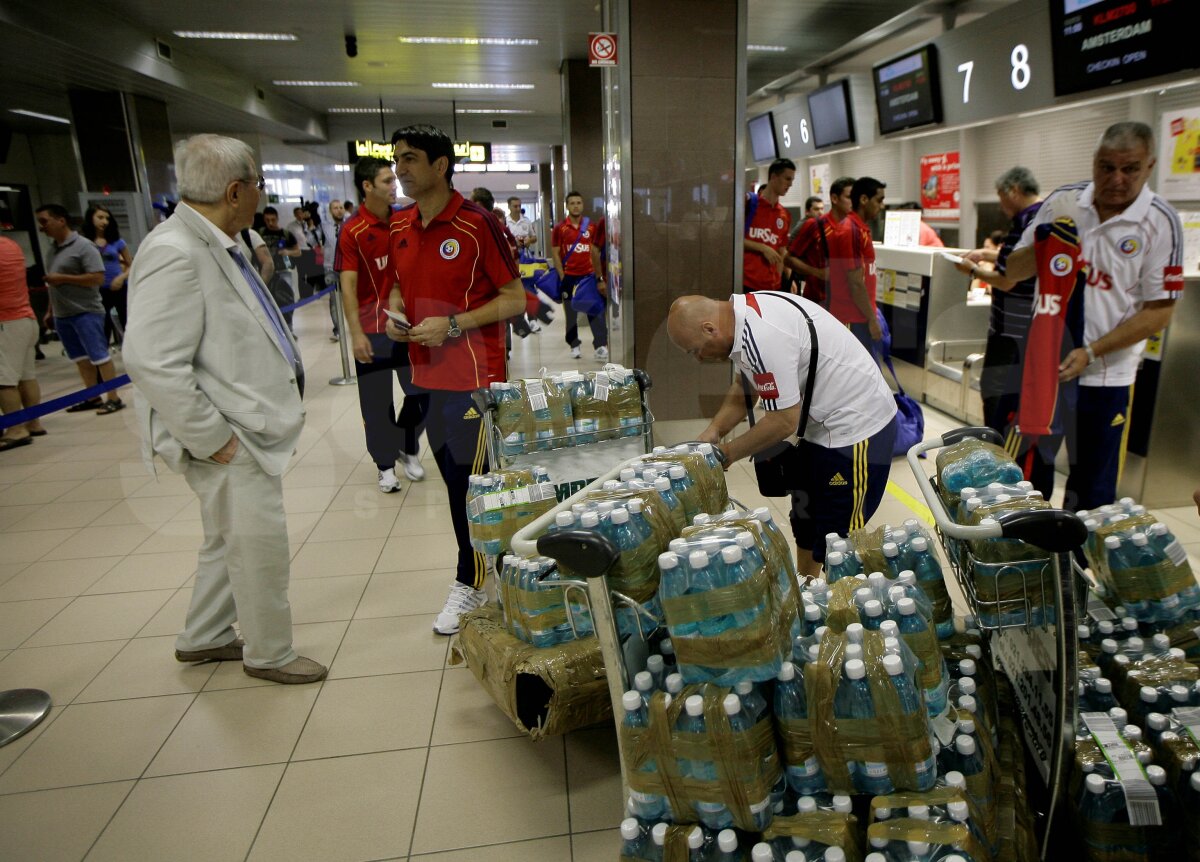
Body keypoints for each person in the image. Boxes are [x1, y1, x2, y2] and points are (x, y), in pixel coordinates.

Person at [123, 133, 325, 685]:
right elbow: (150, 361)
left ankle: (204, 635)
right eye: (258, 185)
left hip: (238, 420)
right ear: (236, 190)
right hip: (224, 430)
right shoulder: (176, 251)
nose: (262, 195)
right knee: (259, 542)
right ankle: (270, 652)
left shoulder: (218, 239)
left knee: (226, 537)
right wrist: (213, 437)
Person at [386, 123, 525, 635]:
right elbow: (398, 289)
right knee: (452, 480)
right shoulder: (401, 226)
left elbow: (515, 298)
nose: (400, 169)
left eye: (410, 159)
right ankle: (489, 573)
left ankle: (473, 580)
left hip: (473, 376)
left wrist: (451, 324)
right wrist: (394, 311)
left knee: (473, 484)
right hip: (424, 375)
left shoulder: (476, 224)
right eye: (397, 159)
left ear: (441, 166)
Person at [1003, 122, 1182, 511]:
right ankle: (1027, 563)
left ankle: (1079, 569)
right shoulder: (1063, 202)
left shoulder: (1161, 221)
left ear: (1149, 166)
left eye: (1130, 168)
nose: (1116, 179)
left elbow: (1159, 312)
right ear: (1093, 162)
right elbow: (1011, 273)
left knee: (1093, 489)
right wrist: (1050, 243)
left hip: (1107, 376)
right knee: (1027, 478)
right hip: (1043, 371)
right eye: (1106, 167)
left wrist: (1091, 351)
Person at [668, 292, 897, 579]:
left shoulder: (763, 335)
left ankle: (841, 611)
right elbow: (745, 387)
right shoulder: (742, 318)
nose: (699, 358)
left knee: (838, 541)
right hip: (818, 427)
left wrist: (726, 454)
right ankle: (809, 588)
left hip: (857, 429)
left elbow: (783, 420)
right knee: (805, 521)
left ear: (709, 328)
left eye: (694, 350)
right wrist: (713, 432)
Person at [952, 167, 1048, 495]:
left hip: (1014, 332)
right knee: (997, 395)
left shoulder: (1028, 220)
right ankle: (995, 459)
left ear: (1014, 189)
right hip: (1017, 329)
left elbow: (1009, 278)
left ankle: (996, 467)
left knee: (997, 397)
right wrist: (989, 254)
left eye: (1000, 196)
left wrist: (973, 269)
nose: (1000, 204)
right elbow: (1024, 262)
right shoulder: (1041, 218)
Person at [336, 156, 428, 493]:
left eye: (394, 180)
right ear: (367, 186)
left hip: (407, 327)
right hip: (371, 332)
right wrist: (355, 334)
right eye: (387, 181)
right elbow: (347, 285)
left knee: (423, 393)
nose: (395, 186)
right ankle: (385, 466)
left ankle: (407, 443)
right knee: (376, 405)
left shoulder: (405, 221)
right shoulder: (352, 231)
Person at [35, 204, 126, 414]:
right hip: (63, 313)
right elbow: (52, 282)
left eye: (44, 221)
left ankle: (113, 397)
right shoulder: (52, 249)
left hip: (86, 311)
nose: (42, 227)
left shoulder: (84, 246)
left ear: (61, 220)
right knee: (80, 358)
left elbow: (97, 277)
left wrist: (63, 278)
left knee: (99, 355)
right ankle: (91, 396)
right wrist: (50, 311)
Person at [827, 176, 887, 357]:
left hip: (860, 316)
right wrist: (872, 320)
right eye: (879, 200)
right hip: (852, 320)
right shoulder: (850, 230)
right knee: (855, 379)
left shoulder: (860, 229)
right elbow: (855, 283)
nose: (881, 206)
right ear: (863, 199)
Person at [552, 190, 608, 360]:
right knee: (570, 314)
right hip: (569, 277)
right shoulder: (560, 228)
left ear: (583, 205)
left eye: (578, 203)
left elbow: (598, 250)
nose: (576, 206)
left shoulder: (592, 227)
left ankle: (600, 345)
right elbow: (555, 253)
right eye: (572, 203)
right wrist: (562, 275)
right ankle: (574, 345)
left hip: (589, 276)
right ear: (567, 206)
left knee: (594, 312)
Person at [0, 235, 44, 450]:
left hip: (5, 322)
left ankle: (16, 429)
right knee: (27, 376)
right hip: (26, 317)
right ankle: (33, 423)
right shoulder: (11, 245)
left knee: (4, 379)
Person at [786, 175, 854, 304]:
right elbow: (789, 259)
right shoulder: (814, 225)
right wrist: (818, 273)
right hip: (817, 302)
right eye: (849, 197)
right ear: (834, 198)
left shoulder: (853, 228)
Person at [81, 205, 132, 347]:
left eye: (107, 218)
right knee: (102, 326)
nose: (104, 221)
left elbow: (131, 264)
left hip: (119, 287)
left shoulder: (117, 242)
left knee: (128, 323)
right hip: (97, 290)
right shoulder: (85, 243)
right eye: (100, 217)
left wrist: (121, 277)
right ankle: (102, 358)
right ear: (91, 218)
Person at [743, 158, 795, 293]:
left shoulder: (784, 215)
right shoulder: (749, 204)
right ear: (773, 177)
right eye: (787, 179)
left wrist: (786, 276)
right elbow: (733, 240)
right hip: (747, 283)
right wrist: (762, 247)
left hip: (772, 287)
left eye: (792, 180)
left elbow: (781, 250)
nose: (790, 184)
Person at [258, 206, 301, 331]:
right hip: (265, 273)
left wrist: (288, 252)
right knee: (267, 300)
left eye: (273, 220)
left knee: (286, 298)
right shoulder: (259, 233)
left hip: (284, 271)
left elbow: (298, 251)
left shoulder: (286, 234)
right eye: (267, 220)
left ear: (277, 219)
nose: (271, 223)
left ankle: (288, 327)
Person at [324, 198, 348, 341]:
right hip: (330, 268)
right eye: (335, 208)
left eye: (341, 207)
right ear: (330, 210)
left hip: (348, 267)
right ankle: (337, 330)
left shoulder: (350, 225)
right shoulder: (324, 227)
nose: (339, 210)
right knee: (334, 301)